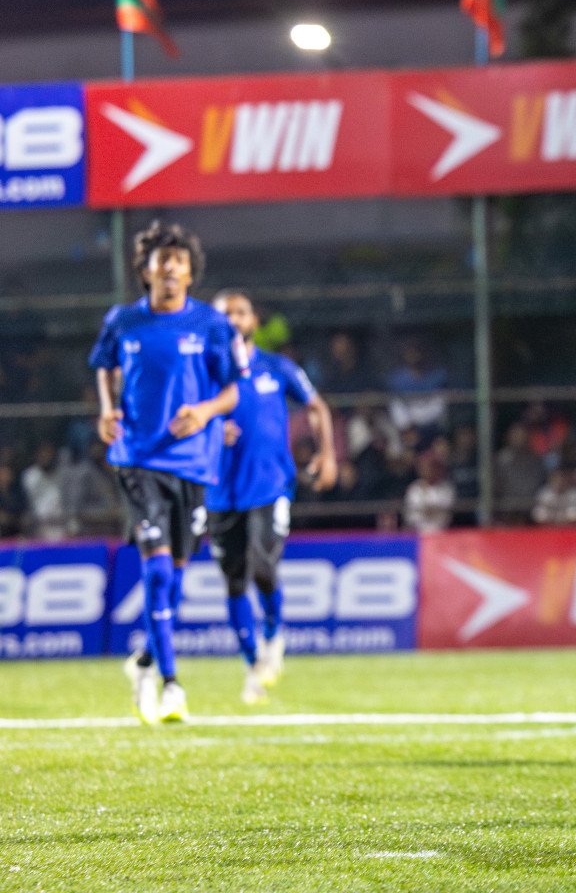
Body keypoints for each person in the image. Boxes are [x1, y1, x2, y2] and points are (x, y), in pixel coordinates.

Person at [90, 221, 242, 724]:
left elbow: (231, 392)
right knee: (156, 570)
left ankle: (143, 662)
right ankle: (171, 684)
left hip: (195, 464)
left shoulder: (211, 325)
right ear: (146, 270)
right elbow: (104, 366)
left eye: (179, 260)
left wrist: (204, 412)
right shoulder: (123, 321)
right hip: (137, 459)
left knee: (175, 579)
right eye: (162, 259)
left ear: (190, 273)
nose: (170, 267)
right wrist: (108, 409)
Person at [207, 291, 338, 704]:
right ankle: (252, 666)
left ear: (253, 320)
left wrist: (327, 454)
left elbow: (316, 406)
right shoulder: (204, 372)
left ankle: (273, 633)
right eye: (224, 312)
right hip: (219, 491)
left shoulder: (276, 367)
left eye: (240, 311)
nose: (232, 318)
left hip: (270, 485)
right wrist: (209, 432)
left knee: (263, 565)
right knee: (232, 581)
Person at [21, 441, 67, 540]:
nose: (45, 457)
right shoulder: (30, 476)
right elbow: (29, 505)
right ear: (37, 456)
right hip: (38, 528)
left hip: (61, 527)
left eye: (49, 453)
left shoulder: (62, 474)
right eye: (42, 454)